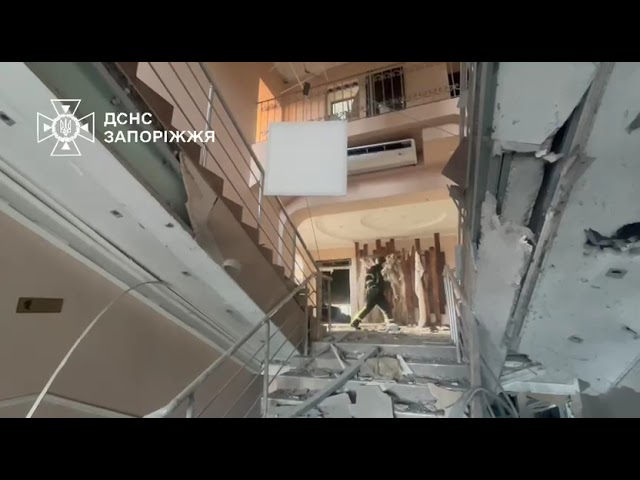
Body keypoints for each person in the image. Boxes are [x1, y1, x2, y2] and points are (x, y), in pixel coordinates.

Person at [350, 256, 394, 329]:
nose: (385, 264)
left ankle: (355, 322)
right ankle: (391, 324)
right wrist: (373, 287)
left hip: (378, 293)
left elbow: (382, 282)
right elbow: (368, 278)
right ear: (381, 263)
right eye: (384, 263)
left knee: (382, 308)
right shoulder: (374, 269)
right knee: (384, 308)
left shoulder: (381, 270)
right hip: (373, 292)